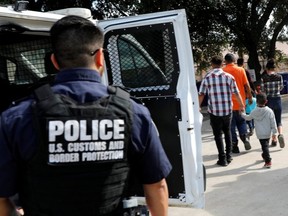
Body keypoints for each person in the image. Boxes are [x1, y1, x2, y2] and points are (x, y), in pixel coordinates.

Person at [0, 15, 172, 216]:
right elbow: (157, 186)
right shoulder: (134, 112)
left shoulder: (16, 118)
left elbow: (2, 199)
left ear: (54, 61)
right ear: (100, 57)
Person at [198, 55, 244, 166]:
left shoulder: (207, 77)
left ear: (212, 64)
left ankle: (222, 159)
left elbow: (201, 94)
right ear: (222, 63)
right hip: (228, 110)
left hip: (214, 111)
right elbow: (236, 93)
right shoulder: (229, 77)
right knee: (227, 132)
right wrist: (242, 105)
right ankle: (229, 156)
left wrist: (198, 106)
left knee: (217, 135)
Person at [223, 53, 253, 153]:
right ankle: (245, 138)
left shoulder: (223, 71)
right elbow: (247, 85)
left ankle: (234, 145)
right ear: (234, 60)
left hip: (228, 104)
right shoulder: (241, 70)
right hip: (241, 102)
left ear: (225, 61)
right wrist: (249, 96)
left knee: (231, 125)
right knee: (241, 122)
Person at [241, 92, 277, 168]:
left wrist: (242, 113)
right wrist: (274, 133)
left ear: (256, 101)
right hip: (268, 132)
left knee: (264, 146)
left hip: (260, 133)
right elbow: (273, 122)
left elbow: (248, 117)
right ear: (266, 101)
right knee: (265, 146)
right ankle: (264, 155)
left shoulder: (254, 111)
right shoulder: (270, 111)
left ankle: (268, 161)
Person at [261, 58, 285, 148]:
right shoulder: (279, 76)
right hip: (277, 99)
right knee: (278, 120)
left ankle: (274, 139)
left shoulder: (264, 78)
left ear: (267, 68)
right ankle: (281, 134)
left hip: (269, 100)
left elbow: (263, 91)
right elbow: (281, 87)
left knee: (271, 121)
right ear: (274, 68)